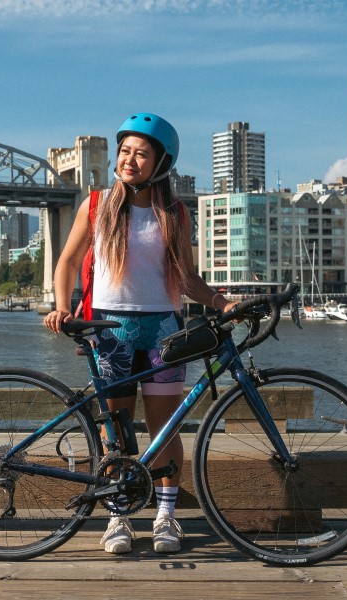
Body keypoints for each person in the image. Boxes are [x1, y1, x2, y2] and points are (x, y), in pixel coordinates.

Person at [44, 112, 236, 554]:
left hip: (164, 330)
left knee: (164, 432)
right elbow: (68, 262)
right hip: (111, 329)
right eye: (125, 151)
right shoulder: (97, 205)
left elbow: (186, 279)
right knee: (117, 433)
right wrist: (60, 306)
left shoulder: (174, 213)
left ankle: (166, 518)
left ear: (161, 162)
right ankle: (118, 518)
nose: (129, 160)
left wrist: (223, 304)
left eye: (141, 153)